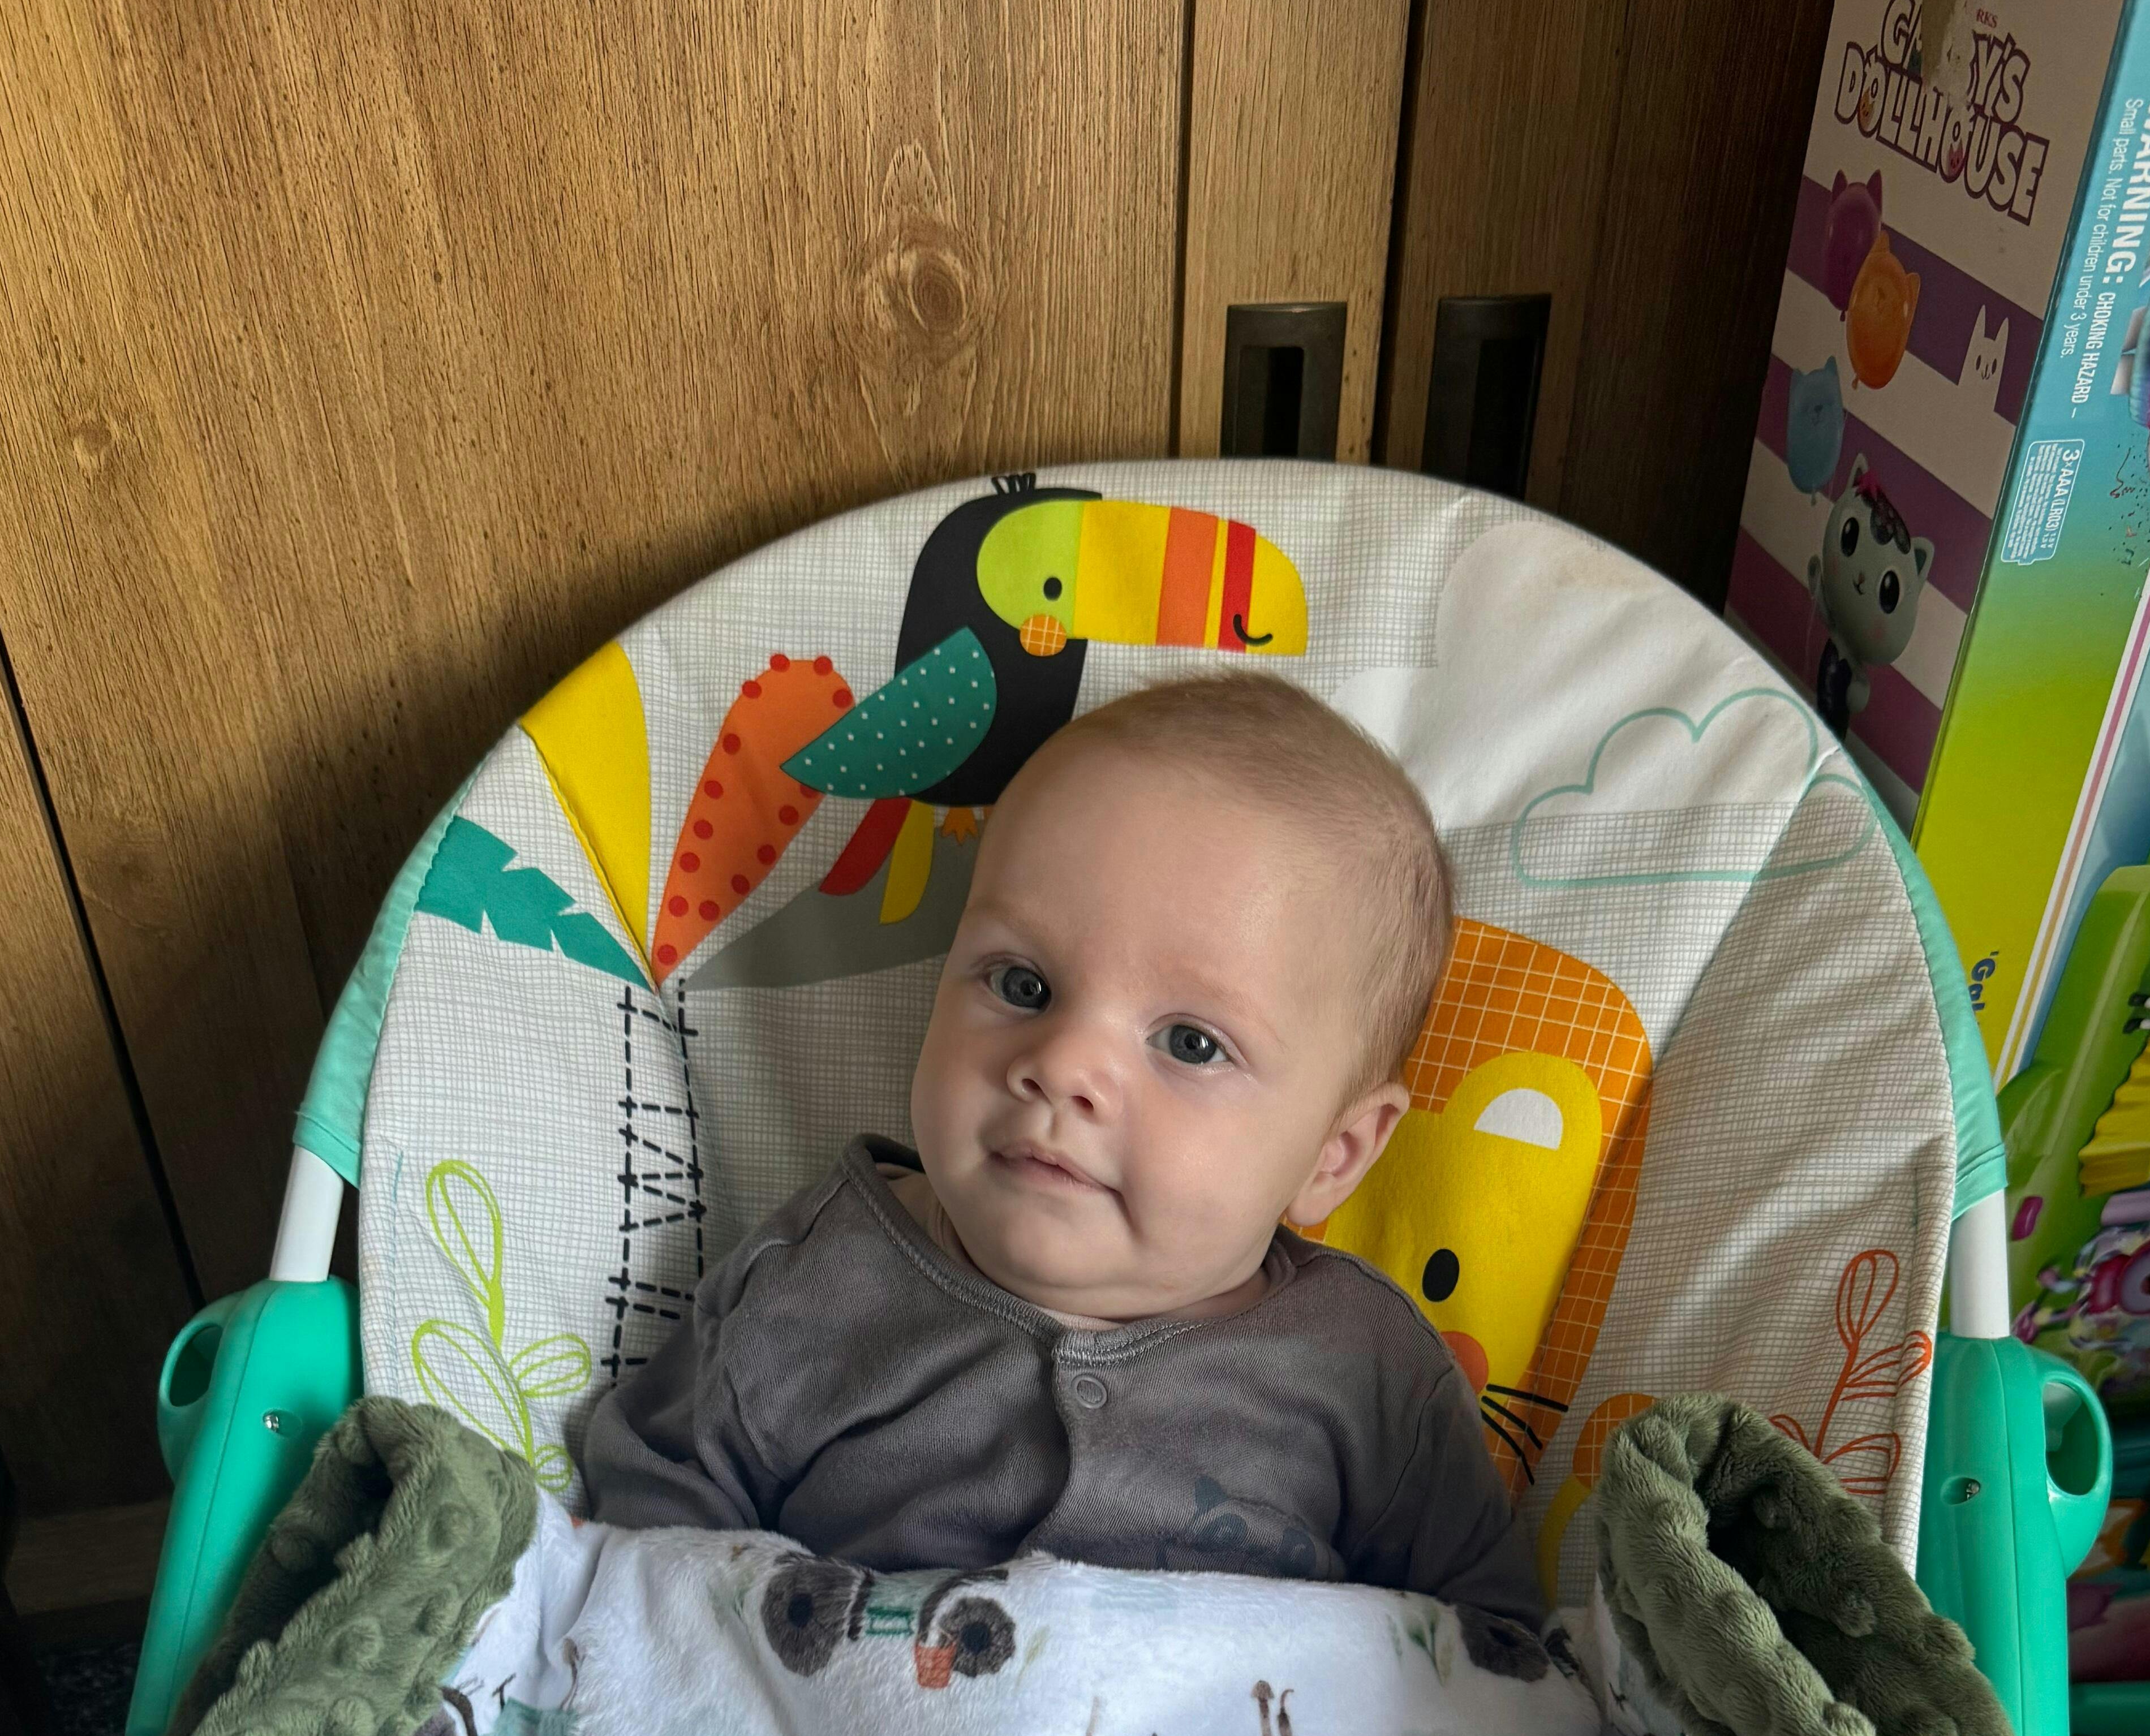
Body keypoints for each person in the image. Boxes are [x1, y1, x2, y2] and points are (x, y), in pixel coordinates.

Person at [582, 669, 1538, 1622]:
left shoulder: (1367, 1375)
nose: (1063, 1065)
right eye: (1023, 986)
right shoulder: (815, 1281)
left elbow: (1495, 1656)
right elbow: (646, 1544)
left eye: (1190, 1043)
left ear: (1335, 1153)